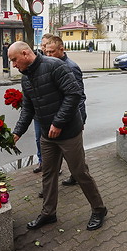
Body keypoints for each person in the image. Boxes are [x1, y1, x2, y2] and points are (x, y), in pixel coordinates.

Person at [8, 41, 107, 231]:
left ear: (25, 54)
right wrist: (17, 132)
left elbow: (74, 94)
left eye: (14, 60)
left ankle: (99, 209)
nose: (13, 65)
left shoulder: (55, 66)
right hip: (47, 135)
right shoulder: (26, 77)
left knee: (79, 173)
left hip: (69, 132)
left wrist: (58, 123)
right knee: (48, 174)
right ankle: (48, 213)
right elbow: (28, 108)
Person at [43, 35, 87, 189]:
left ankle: (78, 177)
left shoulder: (71, 67)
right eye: (46, 52)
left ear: (62, 49)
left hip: (72, 118)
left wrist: (80, 119)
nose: (48, 55)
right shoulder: (50, 65)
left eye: (51, 52)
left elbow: (79, 96)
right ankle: (51, 185)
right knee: (59, 154)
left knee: (75, 156)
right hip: (58, 117)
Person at [33, 33, 54, 173]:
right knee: (38, 139)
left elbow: (76, 96)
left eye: (46, 45)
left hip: (51, 113)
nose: (44, 48)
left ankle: (53, 166)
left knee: (53, 143)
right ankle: (42, 162)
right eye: (42, 45)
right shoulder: (36, 63)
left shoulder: (60, 65)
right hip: (38, 113)